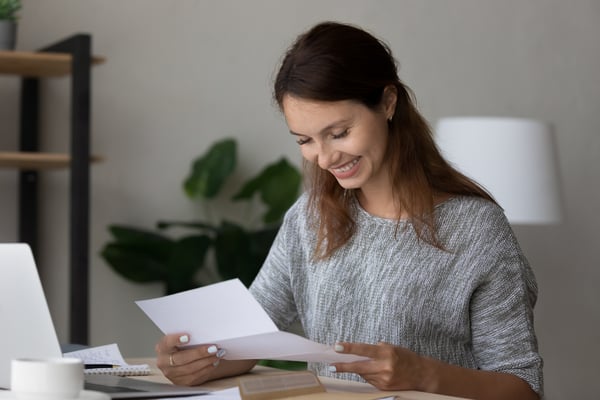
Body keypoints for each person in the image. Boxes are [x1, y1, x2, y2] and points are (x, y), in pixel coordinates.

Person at [154, 21, 543, 399]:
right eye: (305, 140)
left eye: (339, 133)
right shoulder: (309, 218)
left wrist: (423, 374)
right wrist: (196, 362)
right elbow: (248, 342)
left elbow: (522, 387)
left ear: (388, 103)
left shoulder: (474, 228)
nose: (324, 158)